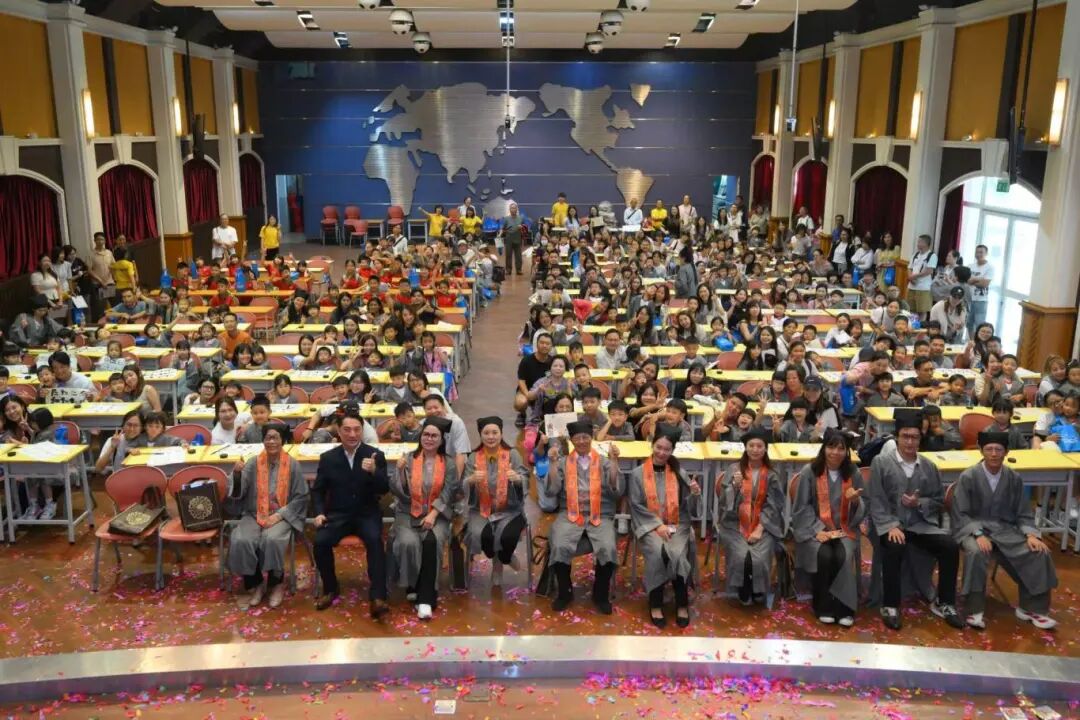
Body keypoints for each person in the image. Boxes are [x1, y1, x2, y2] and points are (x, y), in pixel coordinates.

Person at [951, 431, 1058, 630]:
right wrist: (978, 534)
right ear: (981, 451)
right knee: (976, 551)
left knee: (1038, 552)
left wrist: (1031, 534)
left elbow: (1023, 512)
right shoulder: (969, 476)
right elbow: (960, 512)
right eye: (989, 449)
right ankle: (973, 609)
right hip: (974, 528)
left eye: (998, 449)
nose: (993, 454)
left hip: (1005, 529)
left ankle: (1032, 609)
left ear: (1006, 452)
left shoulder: (1013, 478)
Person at [868, 408, 963, 631]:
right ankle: (890, 605)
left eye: (915, 437)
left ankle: (945, 602)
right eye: (905, 436)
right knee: (893, 545)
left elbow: (938, 500)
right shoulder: (881, 462)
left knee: (949, 546)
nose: (910, 442)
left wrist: (919, 503)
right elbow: (876, 498)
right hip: (889, 523)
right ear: (897, 437)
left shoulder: (929, 466)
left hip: (920, 524)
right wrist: (891, 525)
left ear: (921, 438)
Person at [311, 412, 390, 617]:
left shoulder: (375, 455)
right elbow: (318, 490)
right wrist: (319, 513)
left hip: (366, 513)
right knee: (320, 542)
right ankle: (330, 588)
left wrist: (374, 472)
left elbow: (384, 489)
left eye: (357, 429)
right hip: (339, 514)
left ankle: (378, 596)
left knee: (375, 540)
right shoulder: (328, 458)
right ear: (338, 431)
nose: (352, 434)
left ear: (363, 431)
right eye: (347, 430)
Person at [540, 420, 622, 614]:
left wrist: (614, 462)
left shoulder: (603, 461)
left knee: (607, 546)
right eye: (577, 438)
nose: (582, 441)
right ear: (571, 440)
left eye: (585, 437)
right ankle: (565, 592)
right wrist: (552, 464)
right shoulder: (563, 462)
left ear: (591, 438)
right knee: (559, 544)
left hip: (600, 513)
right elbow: (551, 491)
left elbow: (616, 491)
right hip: (569, 513)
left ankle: (600, 594)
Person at [228, 422, 309, 610]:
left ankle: (276, 584)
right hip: (254, 513)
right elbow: (239, 491)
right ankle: (256, 584)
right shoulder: (253, 463)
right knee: (242, 539)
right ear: (263, 440)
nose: (271, 441)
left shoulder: (293, 465)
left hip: (282, 514)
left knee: (272, 539)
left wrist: (280, 515)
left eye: (275, 438)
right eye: (267, 438)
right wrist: (237, 474)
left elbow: (301, 497)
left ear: (283, 441)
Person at [791, 430, 867, 626]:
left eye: (841, 448)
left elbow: (864, 504)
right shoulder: (810, 471)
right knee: (824, 555)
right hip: (815, 529)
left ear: (847, 451)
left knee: (842, 556)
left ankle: (844, 607)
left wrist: (855, 502)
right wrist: (817, 529)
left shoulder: (853, 473)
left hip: (844, 528)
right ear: (824, 448)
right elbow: (802, 506)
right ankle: (823, 605)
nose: (835, 452)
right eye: (831, 447)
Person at [628, 427, 702, 627]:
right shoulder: (637, 474)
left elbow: (689, 509)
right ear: (652, 445)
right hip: (648, 526)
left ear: (672, 450)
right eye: (658, 447)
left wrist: (694, 494)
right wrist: (657, 525)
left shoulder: (679, 473)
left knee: (677, 554)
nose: (661, 452)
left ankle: (682, 603)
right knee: (658, 553)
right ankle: (655, 603)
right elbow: (636, 505)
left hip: (677, 524)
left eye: (667, 449)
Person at [391, 416, 459, 620]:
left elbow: (449, 492)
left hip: (437, 513)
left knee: (431, 541)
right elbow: (398, 491)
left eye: (434, 436)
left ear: (441, 439)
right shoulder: (408, 458)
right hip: (407, 512)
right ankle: (413, 584)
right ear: (421, 437)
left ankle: (426, 597)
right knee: (408, 542)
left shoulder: (448, 463)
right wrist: (400, 472)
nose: (429, 439)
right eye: (426, 434)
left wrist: (433, 513)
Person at [715, 428, 784, 607]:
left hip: (765, 524)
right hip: (734, 523)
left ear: (765, 449)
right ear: (745, 448)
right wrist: (734, 487)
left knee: (759, 557)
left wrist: (760, 529)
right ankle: (743, 587)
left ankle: (758, 588)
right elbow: (723, 503)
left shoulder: (772, 474)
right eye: (751, 445)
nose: (755, 449)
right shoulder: (734, 470)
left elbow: (775, 505)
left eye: (759, 446)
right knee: (741, 555)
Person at [463, 417, 529, 586]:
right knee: (483, 536)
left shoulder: (512, 454)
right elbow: (462, 485)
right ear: (480, 435)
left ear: (501, 433)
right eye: (486, 433)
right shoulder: (473, 457)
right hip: (481, 510)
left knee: (508, 537)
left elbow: (525, 478)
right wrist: (470, 480)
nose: (491, 436)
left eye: (494, 432)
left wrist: (518, 479)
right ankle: (498, 561)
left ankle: (504, 559)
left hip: (510, 510)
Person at [905, 234, 937, 319]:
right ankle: (913, 324)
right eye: (918, 241)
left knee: (922, 311)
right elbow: (909, 267)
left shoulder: (932, 255)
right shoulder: (915, 254)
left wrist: (914, 276)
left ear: (926, 244)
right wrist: (910, 277)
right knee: (911, 309)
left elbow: (929, 271)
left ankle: (921, 326)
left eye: (920, 242)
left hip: (923, 287)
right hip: (912, 286)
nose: (918, 244)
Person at [966, 244, 993, 339]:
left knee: (980, 325)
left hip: (981, 301)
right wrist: (978, 279)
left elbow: (985, 284)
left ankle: (979, 343)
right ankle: (972, 341)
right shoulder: (970, 266)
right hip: (969, 299)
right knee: (969, 323)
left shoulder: (989, 267)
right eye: (977, 252)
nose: (978, 254)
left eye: (981, 252)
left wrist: (972, 280)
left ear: (986, 253)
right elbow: (967, 280)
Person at [500, 202, 526, 276]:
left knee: (518, 256)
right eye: (512, 208)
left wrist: (522, 227)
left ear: (517, 209)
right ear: (510, 209)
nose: (513, 209)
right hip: (509, 239)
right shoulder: (506, 218)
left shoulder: (521, 218)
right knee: (508, 255)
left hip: (518, 238)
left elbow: (525, 228)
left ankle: (519, 269)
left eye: (514, 208)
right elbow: (503, 228)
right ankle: (508, 270)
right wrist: (500, 234)